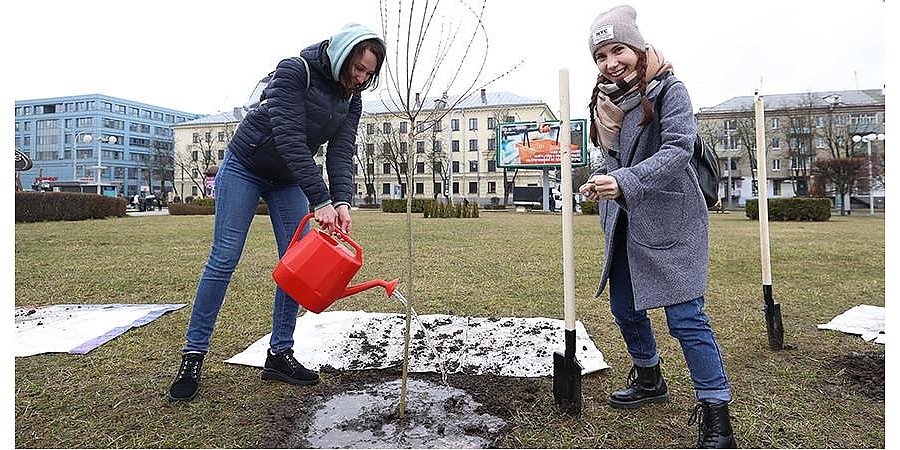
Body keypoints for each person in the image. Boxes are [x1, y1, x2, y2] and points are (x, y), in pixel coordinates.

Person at [168, 23, 386, 402]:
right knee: (224, 258)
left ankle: (279, 354)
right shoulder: (294, 70)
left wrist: (341, 201)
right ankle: (193, 355)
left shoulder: (352, 99)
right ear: (341, 54)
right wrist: (319, 199)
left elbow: (339, 152)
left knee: (298, 263)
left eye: (368, 72)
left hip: (288, 180)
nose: (360, 77)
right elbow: (288, 138)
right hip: (246, 167)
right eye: (357, 67)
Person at [578, 6, 736, 448]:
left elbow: (679, 149)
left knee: (686, 318)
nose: (611, 62)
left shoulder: (670, 89)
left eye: (618, 50)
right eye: (601, 55)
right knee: (624, 308)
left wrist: (624, 181)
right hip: (624, 220)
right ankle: (649, 379)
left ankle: (716, 411)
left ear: (638, 48)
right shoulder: (605, 101)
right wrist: (600, 178)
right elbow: (610, 157)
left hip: (670, 217)